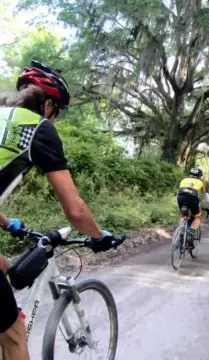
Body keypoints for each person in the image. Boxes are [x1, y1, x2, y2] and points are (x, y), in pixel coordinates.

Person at [0, 60, 124, 360]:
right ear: (48, 106)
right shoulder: (38, 130)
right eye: (57, 112)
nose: (54, 119)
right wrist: (99, 236)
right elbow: (76, 210)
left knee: (5, 267)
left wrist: (7, 224)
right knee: (14, 335)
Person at [176, 167, 209, 246]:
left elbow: (178, 192)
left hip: (180, 197)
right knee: (197, 217)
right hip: (192, 198)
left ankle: (181, 233)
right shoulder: (201, 183)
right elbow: (207, 198)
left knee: (184, 215)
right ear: (199, 176)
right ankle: (190, 234)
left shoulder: (183, 180)